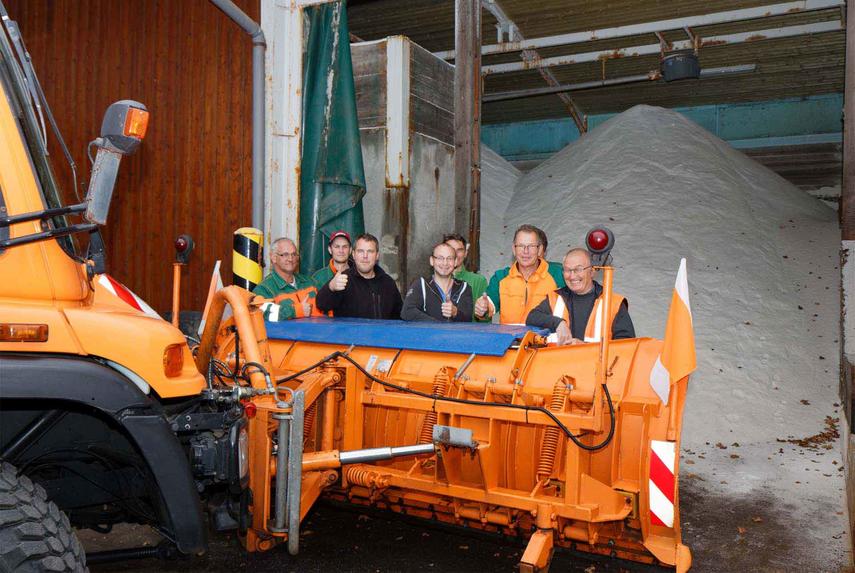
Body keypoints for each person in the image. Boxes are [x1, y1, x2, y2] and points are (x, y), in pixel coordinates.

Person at [526, 247, 634, 344]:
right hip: (560, 364)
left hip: (596, 365)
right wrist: (558, 323)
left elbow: (626, 345)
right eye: (568, 270)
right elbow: (532, 317)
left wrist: (584, 347)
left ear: (592, 272)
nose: (572, 276)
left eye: (578, 269)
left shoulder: (614, 303)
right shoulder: (555, 297)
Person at [475, 224, 562, 324]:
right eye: (520, 246)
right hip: (509, 339)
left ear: (540, 249)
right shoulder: (500, 277)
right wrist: (482, 308)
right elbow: (489, 306)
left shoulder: (558, 275)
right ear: (513, 249)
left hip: (544, 338)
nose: (525, 251)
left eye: (531, 246)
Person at [316, 233, 403, 319]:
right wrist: (330, 287)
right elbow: (321, 305)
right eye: (361, 251)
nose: (365, 256)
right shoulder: (343, 280)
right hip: (349, 333)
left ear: (377, 256)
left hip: (382, 333)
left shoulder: (388, 283)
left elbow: (399, 316)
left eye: (370, 251)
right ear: (353, 254)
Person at [253, 237, 324, 319]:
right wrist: (296, 311)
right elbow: (262, 314)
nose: (291, 259)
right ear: (273, 258)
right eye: (285, 254)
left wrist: (332, 288)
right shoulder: (264, 289)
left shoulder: (310, 282)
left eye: (294, 254)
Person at [401, 242, 473, 322]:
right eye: (440, 258)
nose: (445, 263)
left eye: (449, 258)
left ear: (455, 262)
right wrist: (436, 325)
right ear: (432, 261)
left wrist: (455, 312)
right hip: (429, 334)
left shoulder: (464, 287)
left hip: (454, 334)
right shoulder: (421, 285)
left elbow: (468, 318)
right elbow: (407, 311)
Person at [443, 233, 488, 315]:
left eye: (459, 250)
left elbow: (485, 321)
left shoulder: (478, 281)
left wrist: (484, 312)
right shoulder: (432, 281)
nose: (455, 254)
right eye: (451, 249)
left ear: (466, 253)